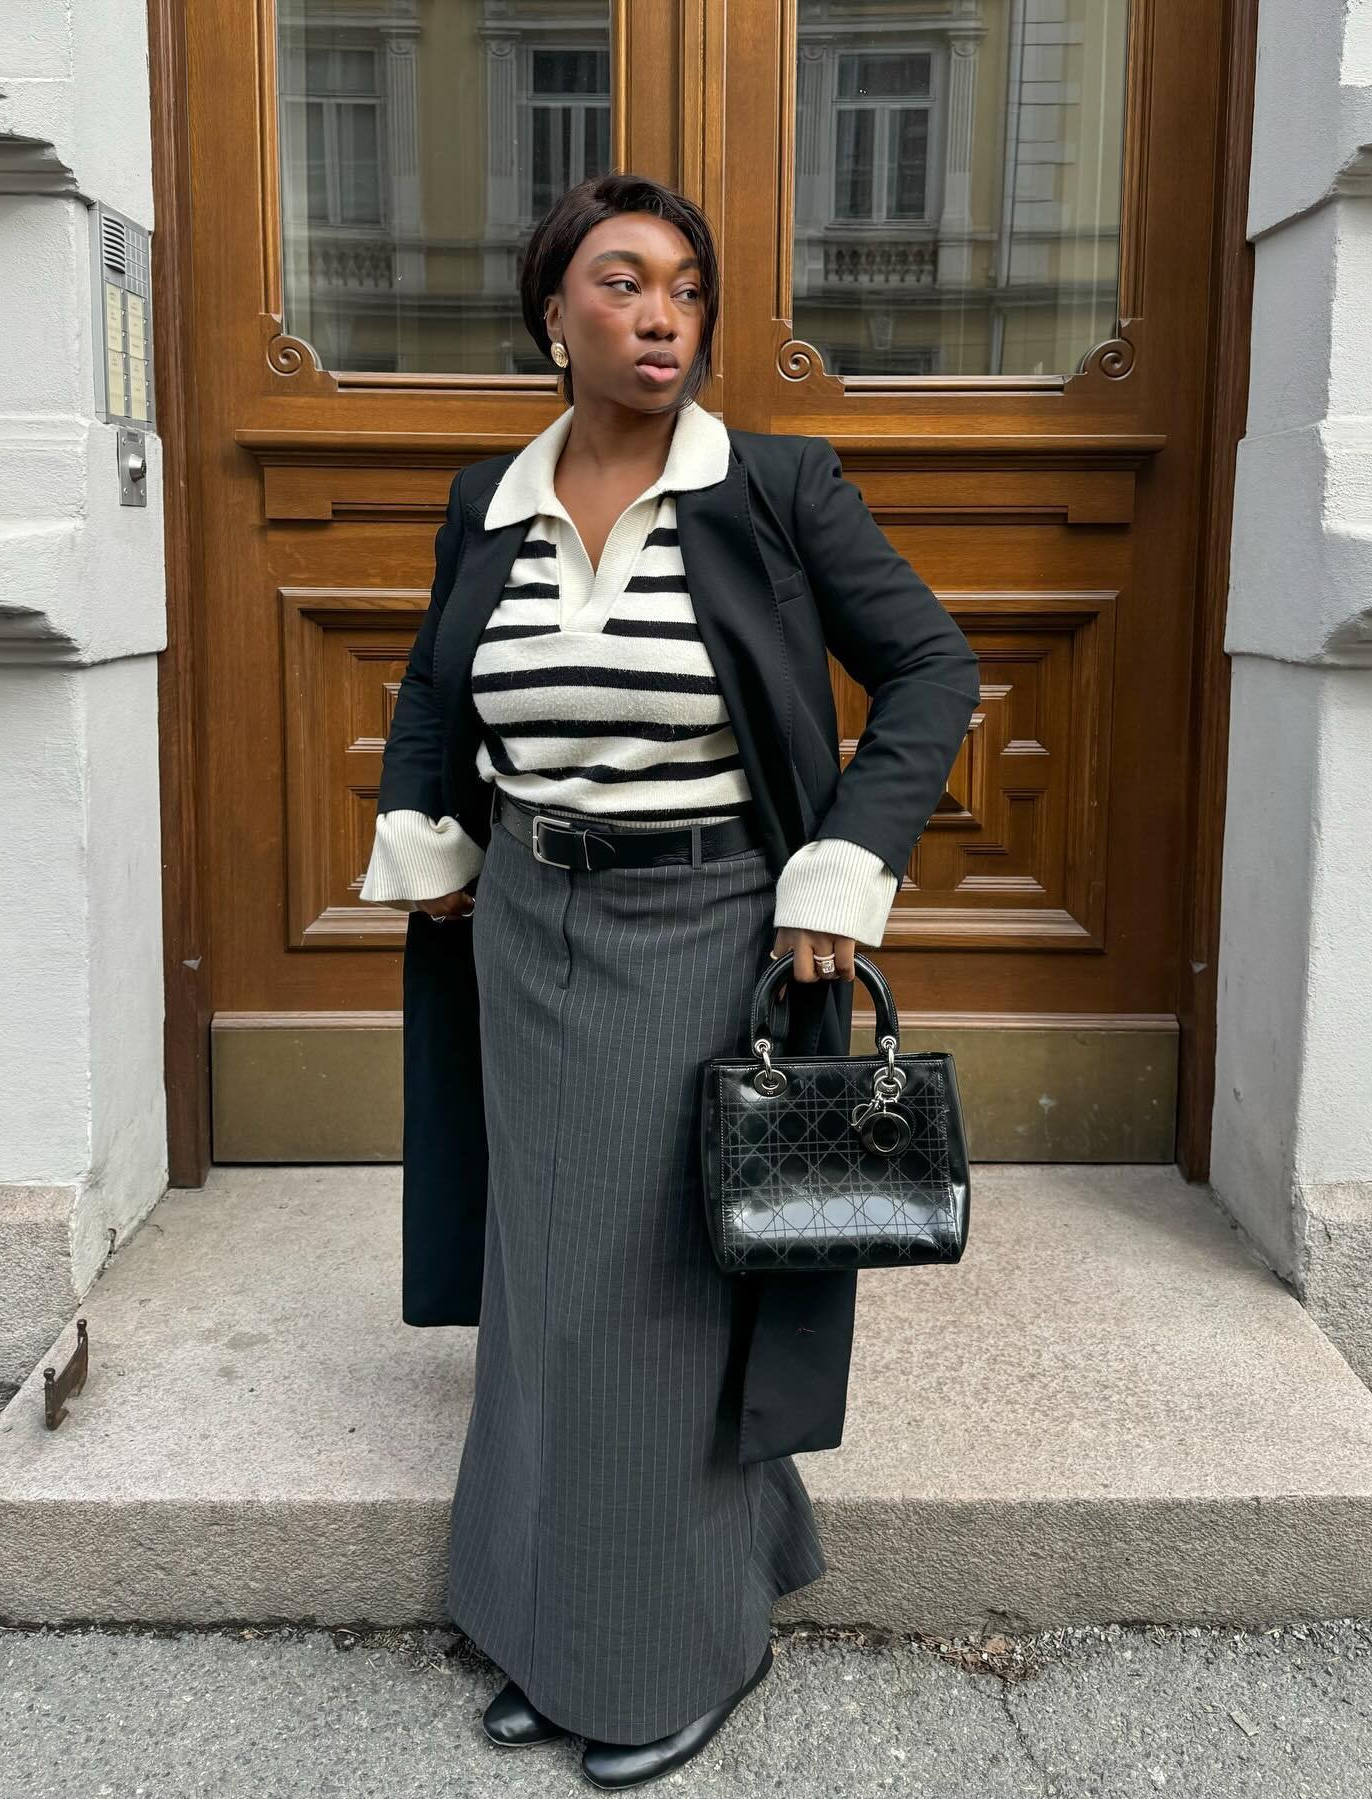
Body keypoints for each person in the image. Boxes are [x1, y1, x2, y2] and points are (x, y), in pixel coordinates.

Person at [360, 171, 980, 1789]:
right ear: (554, 310)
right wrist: (421, 834)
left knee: (652, 1294)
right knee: (551, 1287)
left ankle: (664, 1655)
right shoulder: (485, 503)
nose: (662, 316)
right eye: (624, 283)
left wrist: (841, 871)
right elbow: (436, 682)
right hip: (524, 930)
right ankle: (550, 1617)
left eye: (687, 290)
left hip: (706, 929)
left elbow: (931, 665)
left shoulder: (772, 486)